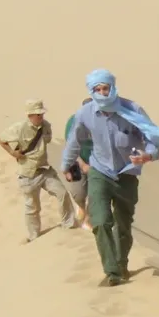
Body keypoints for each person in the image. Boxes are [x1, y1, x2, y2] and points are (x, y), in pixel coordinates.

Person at [61, 69, 159, 287]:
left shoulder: (132, 109)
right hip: (100, 172)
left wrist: (148, 155)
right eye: (97, 89)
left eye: (105, 88)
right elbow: (74, 141)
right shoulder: (85, 113)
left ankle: (121, 262)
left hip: (126, 173)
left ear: (112, 88)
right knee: (100, 221)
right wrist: (66, 164)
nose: (102, 93)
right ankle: (112, 271)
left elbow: (152, 137)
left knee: (123, 223)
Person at [0, 98, 76, 242]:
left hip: (44, 169)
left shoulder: (46, 126)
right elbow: (1, 138)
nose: (40, 117)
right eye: (37, 114)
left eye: (41, 114)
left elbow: (47, 140)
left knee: (62, 193)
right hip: (28, 174)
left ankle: (69, 224)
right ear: (29, 115)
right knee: (32, 207)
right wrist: (13, 152)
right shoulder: (19, 128)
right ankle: (34, 236)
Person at [63, 97, 96, 230]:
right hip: (77, 160)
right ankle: (81, 206)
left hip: (97, 163)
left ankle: (88, 219)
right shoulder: (73, 122)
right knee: (78, 193)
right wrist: (82, 164)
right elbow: (70, 147)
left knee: (97, 193)